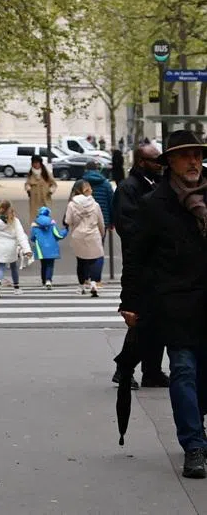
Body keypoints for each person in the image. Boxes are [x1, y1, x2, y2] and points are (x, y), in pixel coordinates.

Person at [120, 130, 207, 480]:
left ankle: (196, 424)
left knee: (202, 374)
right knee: (183, 370)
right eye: (185, 156)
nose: (193, 162)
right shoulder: (154, 204)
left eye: (197, 156)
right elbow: (136, 257)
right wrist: (129, 300)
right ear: (169, 161)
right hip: (176, 301)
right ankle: (194, 445)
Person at [111, 141, 167, 389]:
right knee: (144, 321)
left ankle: (152, 371)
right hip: (142, 264)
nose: (160, 165)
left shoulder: (155, 183)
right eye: (156, 161)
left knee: (159, 320)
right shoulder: (128, 188)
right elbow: (129, 228)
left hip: (159, 264)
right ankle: (124, 367)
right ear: (142, 162)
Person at [64, 179, 105, 295]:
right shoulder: (95, 204)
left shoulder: (72, 204)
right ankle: (93, 283)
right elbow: (100, 222)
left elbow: (68, 220)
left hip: (78, 235)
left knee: (81, 261)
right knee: (95, 259)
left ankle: (81, 286)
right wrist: (102, 234)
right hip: (93, 234)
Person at [0, 200, 31, 297]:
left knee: (1, 267)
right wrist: (27, 250)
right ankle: (16, 288)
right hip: (11, 246)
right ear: (10, 209)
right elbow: (21, 236)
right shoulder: (14, 221)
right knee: (13, 267)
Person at [29, 205, 67, 288]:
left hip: (41, 248)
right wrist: (65, 231)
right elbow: (58, 235)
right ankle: (48, 280)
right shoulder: (52, 223)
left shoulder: (35, 225)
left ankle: (43, 281)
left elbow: (32, 238)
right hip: (52, 247)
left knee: (43, 265)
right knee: (50, 265)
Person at [83, 161, 115, 238]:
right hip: (103, 220)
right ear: (97, 170)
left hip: (84, 220)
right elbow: (112, 203)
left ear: (86, 169)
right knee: (99, 245)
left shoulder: (81, 184)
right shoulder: (106, 184)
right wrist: (112, 221)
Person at [25, 156, 56, 225]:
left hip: (45, 198)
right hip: (34, 200)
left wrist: (50, 191)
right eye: (33, 163)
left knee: (46, 217)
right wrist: (29, 189)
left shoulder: (46, 173)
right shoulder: (30, 173)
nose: (35, 165)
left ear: (40, 163)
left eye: (37, 163)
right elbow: (27, 184)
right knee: (35, 218)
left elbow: (54, 184)